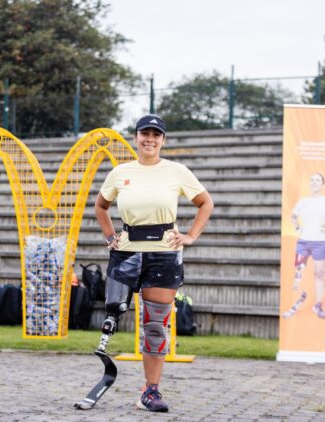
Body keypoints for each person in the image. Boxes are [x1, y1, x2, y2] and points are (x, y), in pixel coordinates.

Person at [94, 114, 213, 412]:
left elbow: (205, 202)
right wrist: (110, 235)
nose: (150, 139)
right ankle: (104, 370)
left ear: (163, 140)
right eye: (144, 133)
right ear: (136, 137)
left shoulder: (177, 171)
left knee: (156, 325)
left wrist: (191, 236)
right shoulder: (121, 172)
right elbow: (101, 205)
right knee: (112, 315)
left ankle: (150, 392)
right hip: (126, 253)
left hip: (163, 253)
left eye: (156, 134)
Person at [283, 172, 325, 320]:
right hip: (304, 242)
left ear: (323, 185)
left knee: (319, 274)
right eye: (312, 180)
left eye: (318, 180)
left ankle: (317, 305)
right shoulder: (302, 201)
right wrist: (298, 228)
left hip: (322, 242)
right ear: (309, 184)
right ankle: (297, 302)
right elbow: (293, 217)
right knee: (298, 271)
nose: (314, 182)